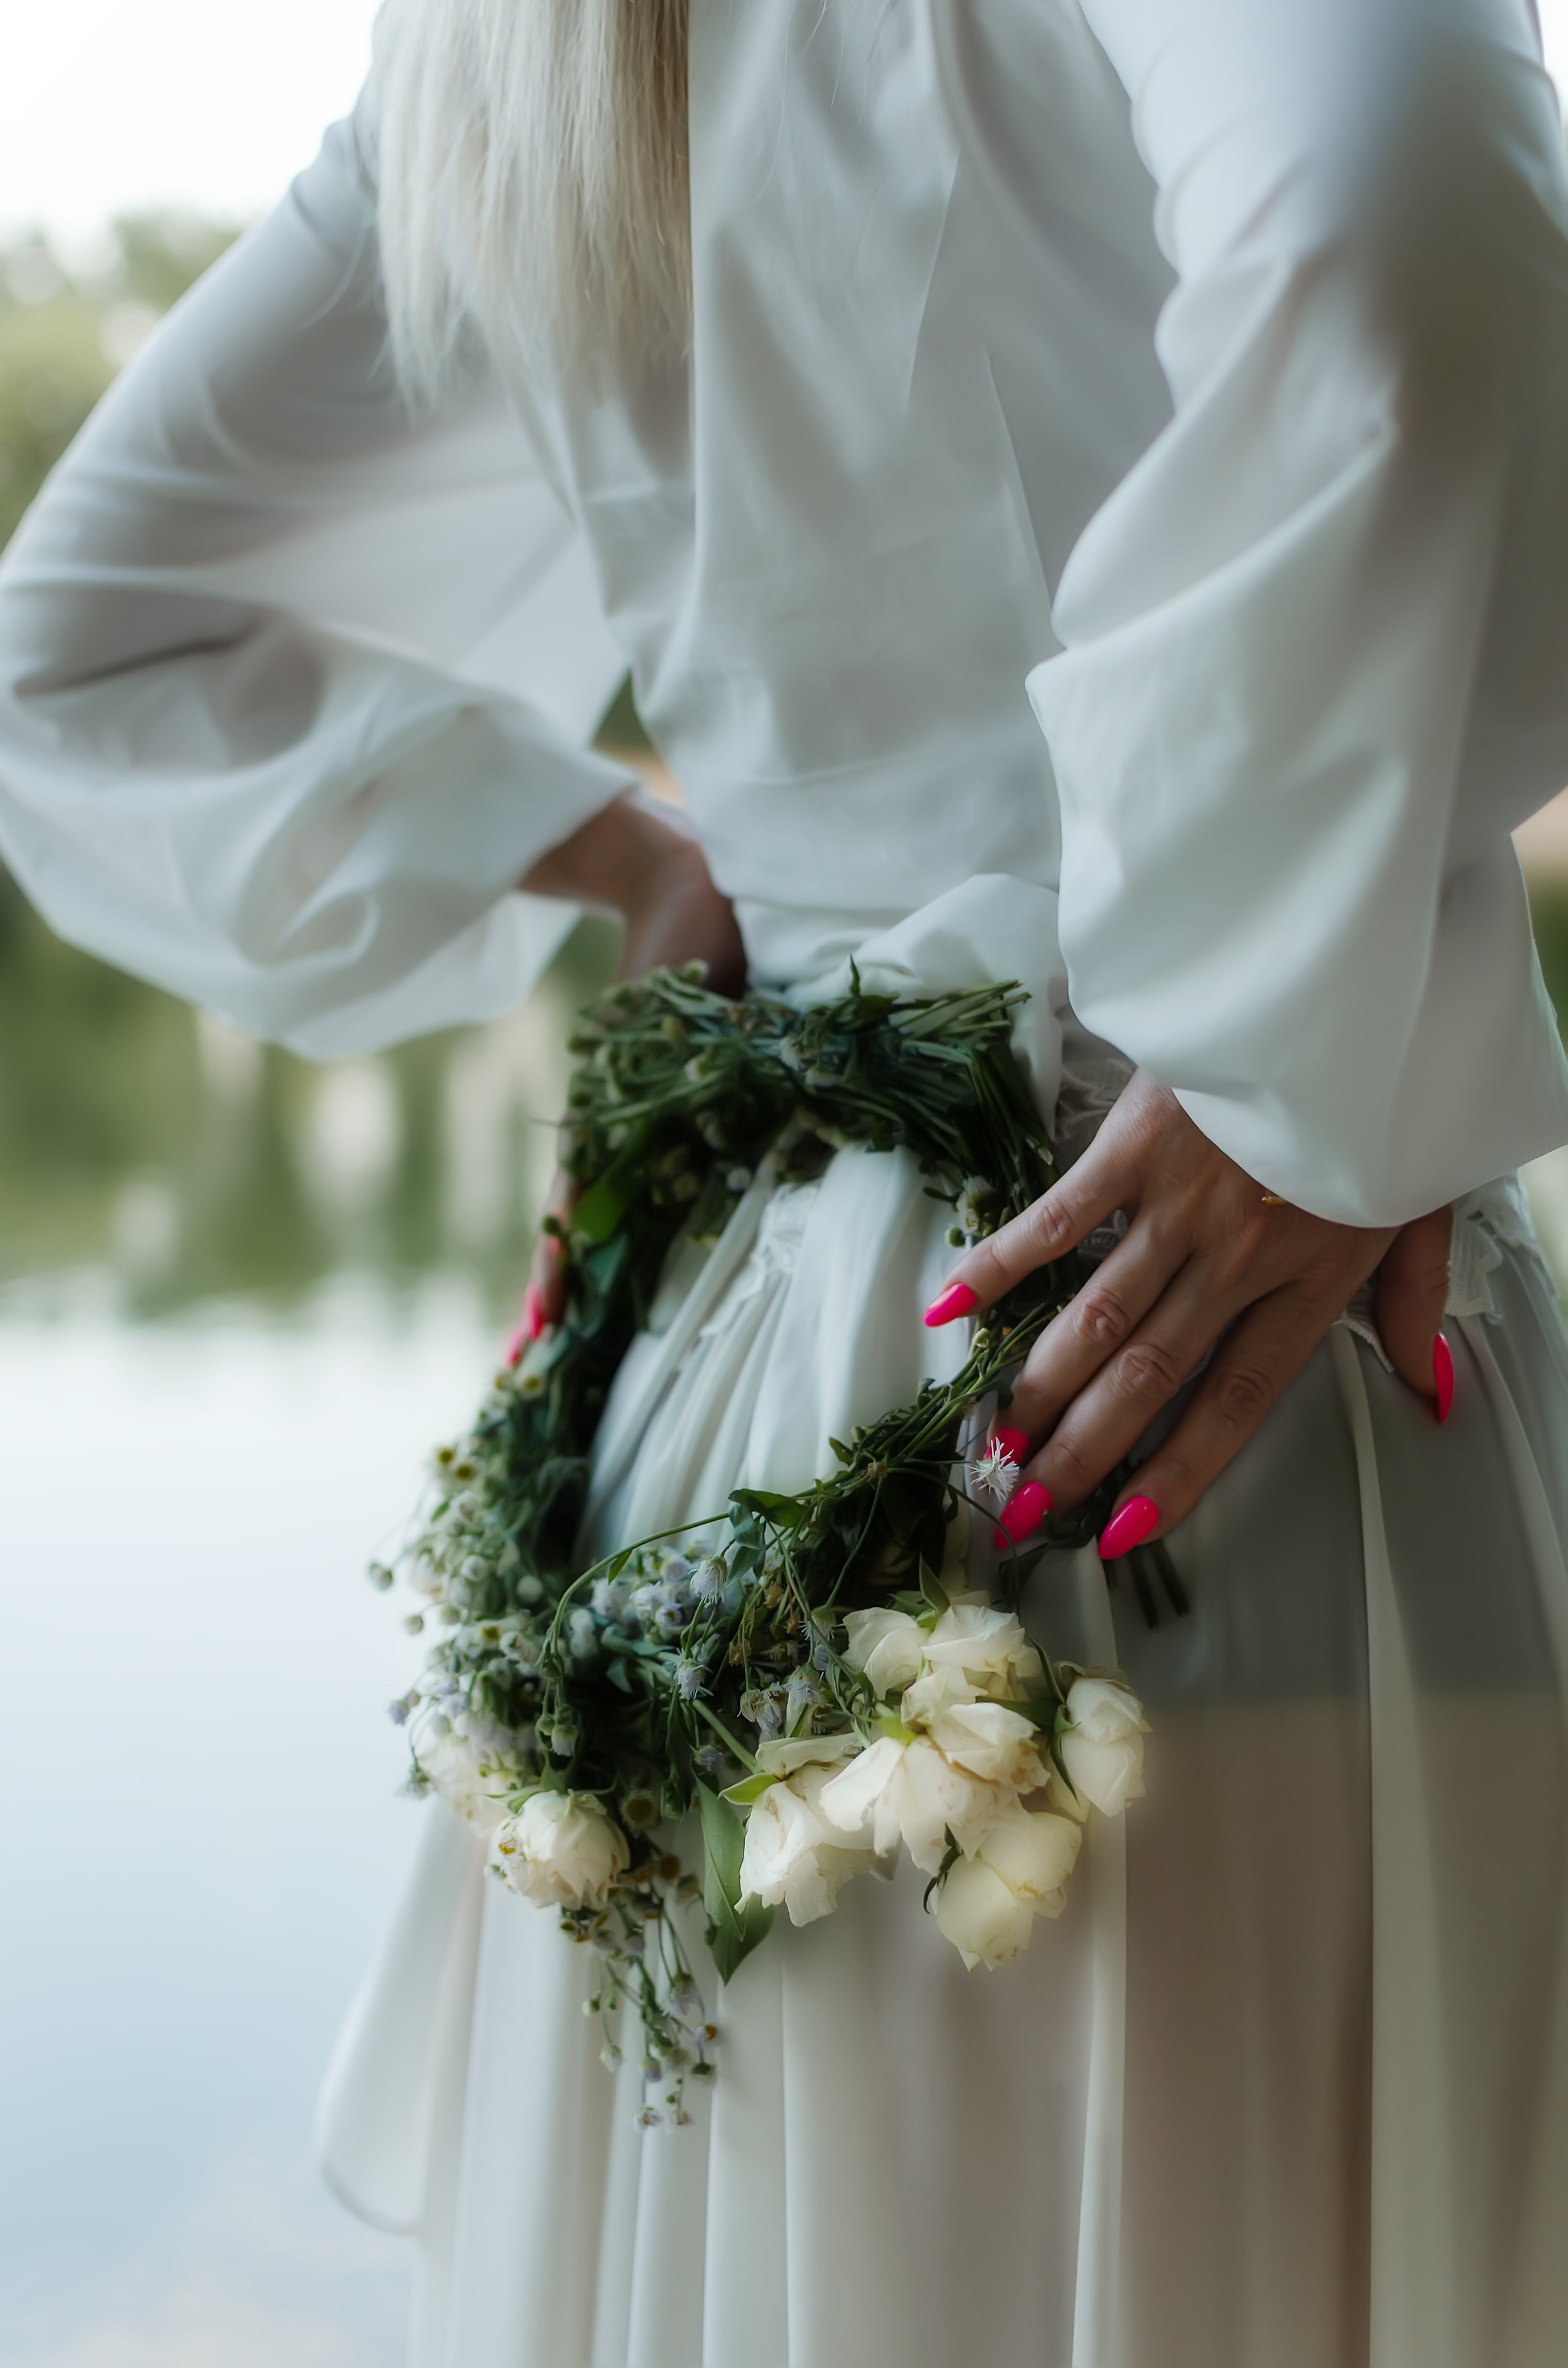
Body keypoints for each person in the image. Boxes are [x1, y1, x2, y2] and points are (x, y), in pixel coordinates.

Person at [4, 1, 1568, 2360]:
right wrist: (1281, 1039)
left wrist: (632, 852)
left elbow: (74, 651)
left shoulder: (486, 58)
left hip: (756, 1407)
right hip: (1230, 1336)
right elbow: (1405, 216)